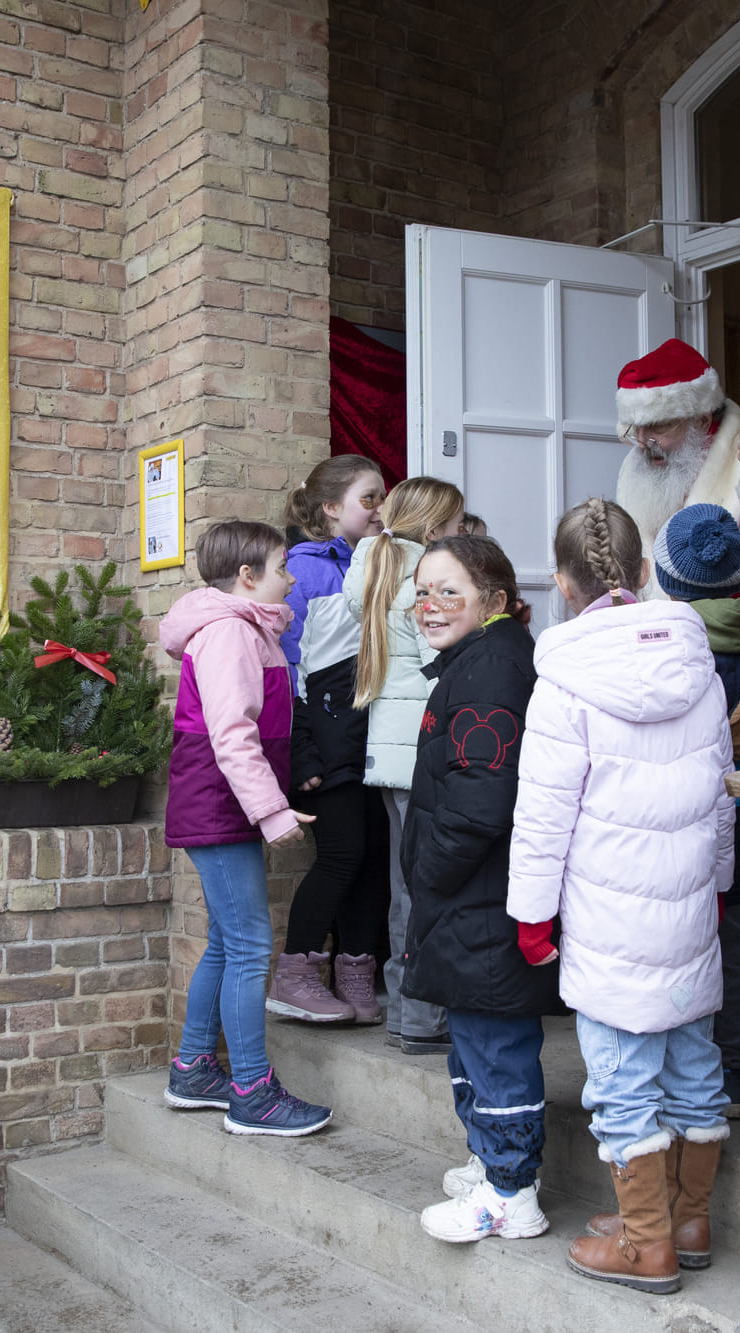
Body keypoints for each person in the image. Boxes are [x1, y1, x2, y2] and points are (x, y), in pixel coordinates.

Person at [509, 498, 735, 1296]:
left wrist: (531, 915)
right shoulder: (695, 664)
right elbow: (719, 794)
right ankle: (686, 1216)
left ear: (561, 585)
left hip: (609, 918)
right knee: (694, 1065)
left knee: (622, 1078)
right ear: (643, 572)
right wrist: (715, 886)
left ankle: (647, 1245)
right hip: (685, 910)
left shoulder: (564, 679)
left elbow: (542, 814)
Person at [401, 535, 561, 1244]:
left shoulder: (492, 669)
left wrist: (428, 874)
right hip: (464, 905)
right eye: (422, 591)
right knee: (471, 1043)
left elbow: (480, 800)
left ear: (494, 600)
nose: (429, 606)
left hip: (483, 904)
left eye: (448, 592)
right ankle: (488, 1160)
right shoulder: (472, 661)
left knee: (496, 1047)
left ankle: (509, 1191)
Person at [159, 520, 332, 1137]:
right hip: (220, 806)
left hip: (221, 804)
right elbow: (233, 734)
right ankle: (252, 1093)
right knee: (253, 945)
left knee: (230, 943)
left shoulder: (242, 629)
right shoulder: (231, 633)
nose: (291, 578)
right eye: (283, 567)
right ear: (247, 576)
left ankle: (194, 1069)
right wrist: (272, 811)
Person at [651, 503, 740, 1121]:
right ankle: (735, 1072)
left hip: (686, 808)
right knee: (733, 940)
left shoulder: (668, 644)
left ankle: (678, 1068)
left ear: (669, 580)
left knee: (676, 936)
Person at [345, 476, 465, 1054]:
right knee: (427, 885)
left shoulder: (374, 567)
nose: (463, 535)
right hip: (421, 747)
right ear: (435, 528)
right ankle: (423, 1015)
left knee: (404, 884)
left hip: (388, 749)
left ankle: (402, 1008)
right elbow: (435, 659)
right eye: (458, 525)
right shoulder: (424, 580)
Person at [269, 455, 388, 1025]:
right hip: (322, 743)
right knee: (342, 855)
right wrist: (300, 751)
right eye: (369, 499)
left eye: (383, 498)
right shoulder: (303, 571)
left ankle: (356, 976)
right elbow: (285, 669)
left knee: (369, 859)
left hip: (367, 735)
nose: (380, 509)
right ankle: (295, 971)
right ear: (330, 508)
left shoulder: (373, 560)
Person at [611, 338, 740, 611]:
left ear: (701, 420)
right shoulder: (637, 464)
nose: (640, 442)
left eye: (655, 428)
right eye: (635, 428)